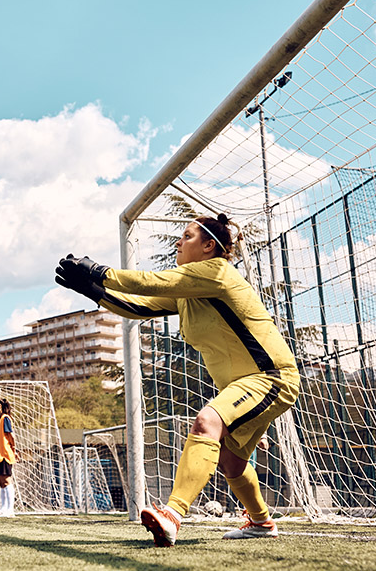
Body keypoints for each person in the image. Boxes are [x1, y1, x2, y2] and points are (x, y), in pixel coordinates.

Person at [55, 213, 300, 546]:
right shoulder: (191, 292)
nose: (177, 243)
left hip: (270, 377)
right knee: (231, 461)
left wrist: (100, 272)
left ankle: (172, 514)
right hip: (245, 385)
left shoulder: (217, 272)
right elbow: (138, 306)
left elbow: (151, 281)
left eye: (186, 236)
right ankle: (262, 523)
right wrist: (92, 289)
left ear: (208, 246)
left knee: (206, 422)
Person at [0, 397, 19, 517]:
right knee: (1, 482)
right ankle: (3, 508)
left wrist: (14, 449)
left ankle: (10, 509)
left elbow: (11, 435)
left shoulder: (6, 418)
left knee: (7, 481)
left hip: (5, 454)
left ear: (0, 406)